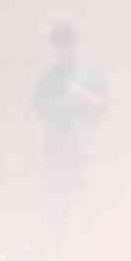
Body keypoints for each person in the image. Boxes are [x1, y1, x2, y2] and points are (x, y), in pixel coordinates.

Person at [32, 22, 108, 206]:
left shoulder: (90, 75)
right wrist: (59, 105)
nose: (64, 50)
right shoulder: (48, 78)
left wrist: (84, 97)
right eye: (60, 45)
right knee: (58, 199)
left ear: (75, 45)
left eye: (68, 44)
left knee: (86, 199)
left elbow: (103, 104)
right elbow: (39, 107)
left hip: (85, 147)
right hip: (57, 147)